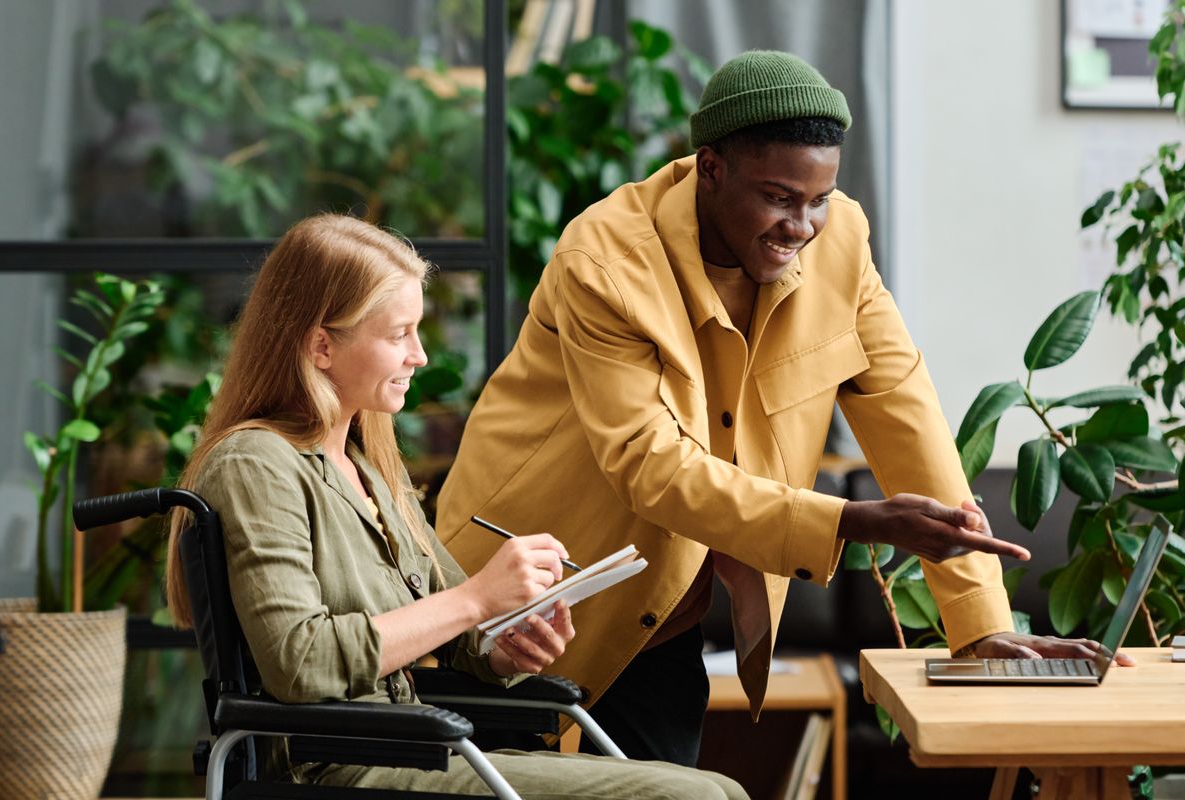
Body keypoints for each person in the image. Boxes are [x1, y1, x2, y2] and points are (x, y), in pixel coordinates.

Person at [436, 50, 1131, 767]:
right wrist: (851, 520)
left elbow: (906, 415)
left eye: (818, 200)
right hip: (512, 603)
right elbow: (649, 465)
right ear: (711, 168)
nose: (801, 225)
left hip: (657, 614)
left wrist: (980, 624)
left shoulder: (843, 244)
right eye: (778, 197)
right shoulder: (607, 261)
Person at [162, 214, 748, 800]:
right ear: (321, 345)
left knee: (723, 790)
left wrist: (504, 640)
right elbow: (300, 662)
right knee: (694, 798)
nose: (418, 355)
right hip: (340, 768)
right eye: (399, 335)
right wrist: (475, 600)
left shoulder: (368, 469)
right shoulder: (255, 463)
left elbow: (461, 629)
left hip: (413, 752)